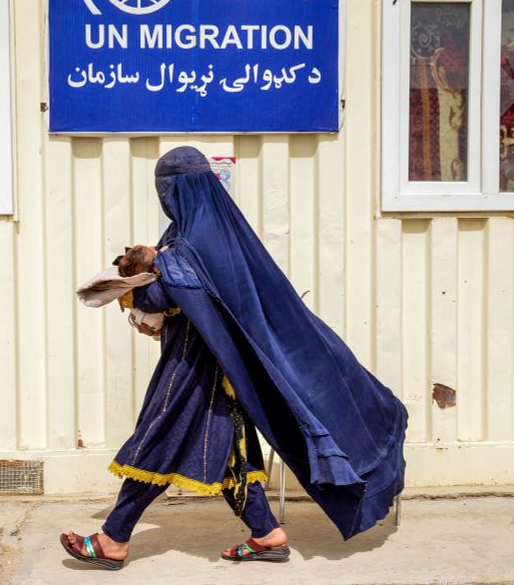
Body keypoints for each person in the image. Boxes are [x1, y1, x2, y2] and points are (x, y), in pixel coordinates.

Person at [60, 147, 408, 570]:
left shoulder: (187, 248)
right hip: (221, 371)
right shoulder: (217, 236)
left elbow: (163, 293)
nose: (165, 199)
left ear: (176, 191)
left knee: (156, 440)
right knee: (229, 454)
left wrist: (133, 273)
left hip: (195, 370)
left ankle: (113, 539)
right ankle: (267, 535)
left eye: (165, 190)